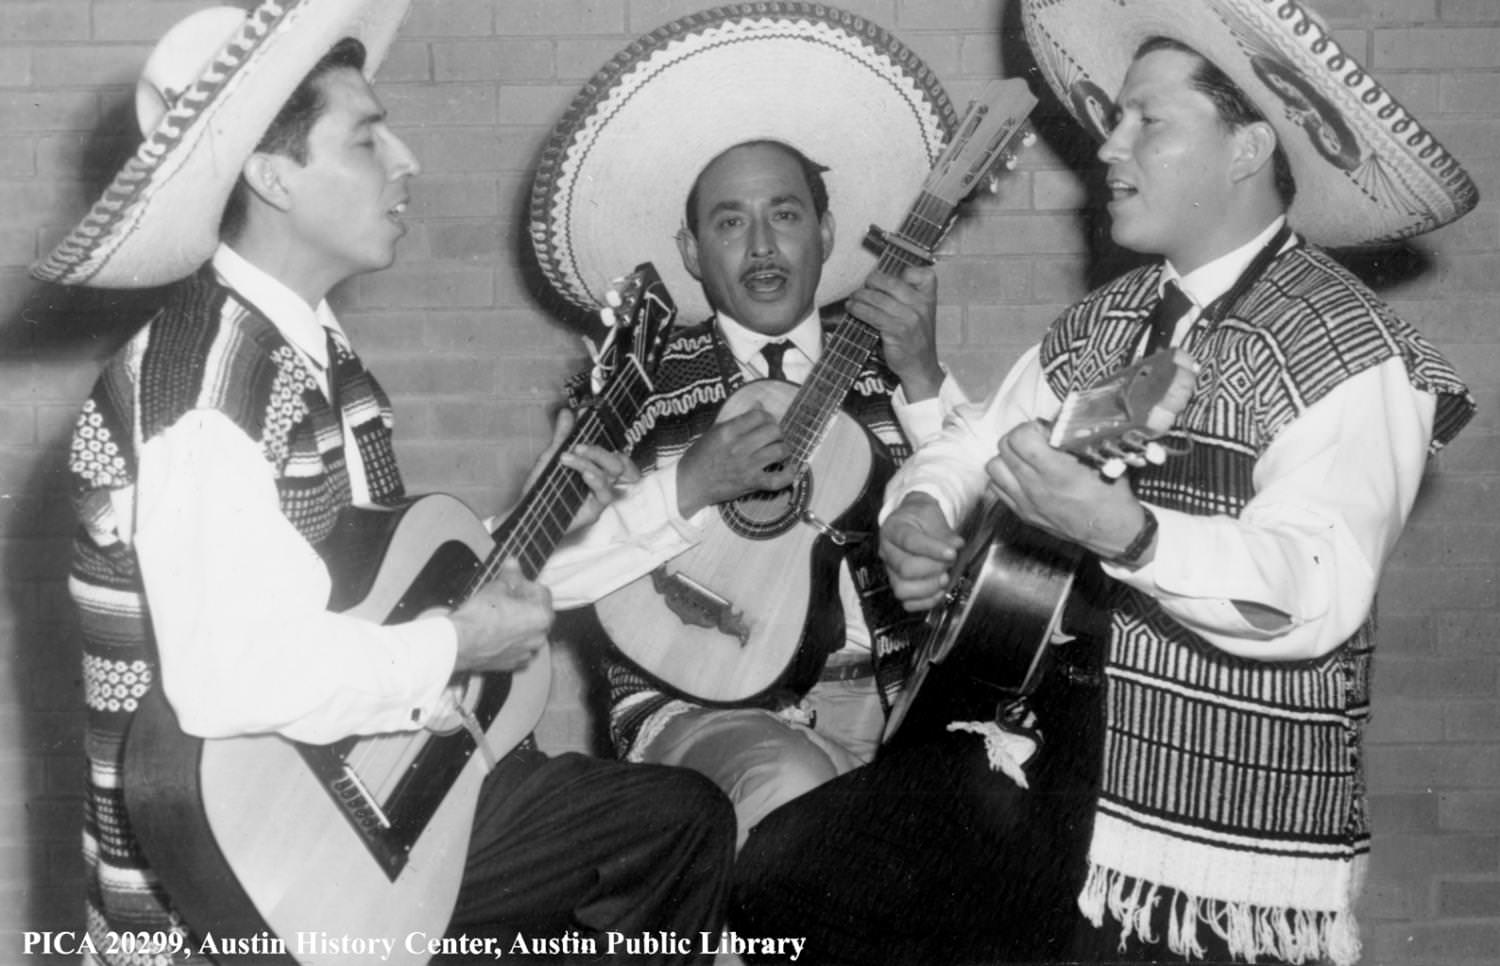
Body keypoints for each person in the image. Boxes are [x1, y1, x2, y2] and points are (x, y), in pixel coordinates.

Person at [730, 1, 1479, 964]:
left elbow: (1316, 585)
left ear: (1248, 146)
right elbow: (971, 437)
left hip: (1201, 826)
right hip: (1040, 763)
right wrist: (925, 506)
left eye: (1146, 121)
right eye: (1115, 117)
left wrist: (1130, 536)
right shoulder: (1107, 319)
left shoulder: (1349, 348)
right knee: (782, 880)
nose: (1108, 145)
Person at [39, 4, 732, 962]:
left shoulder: (312, 353)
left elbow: (363, 590)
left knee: (671, 822)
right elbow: (231, 677)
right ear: (273, 175)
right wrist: (454, 641)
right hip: (228, 900)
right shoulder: (204, 390)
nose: (404, 160)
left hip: (356, 804)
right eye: (366, 137)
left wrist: (549, 505)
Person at [527, 6, 970, 847]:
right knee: (793, 798)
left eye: (787, 214)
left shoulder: (893, 354)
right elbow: (544, 574)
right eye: (730, 222)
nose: (762, 245)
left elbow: (994, 526)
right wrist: (689, 486)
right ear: (692, 251)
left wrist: (922, 377)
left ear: (829, 231)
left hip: (898, 692)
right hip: (692, 697)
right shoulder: (632, 388)